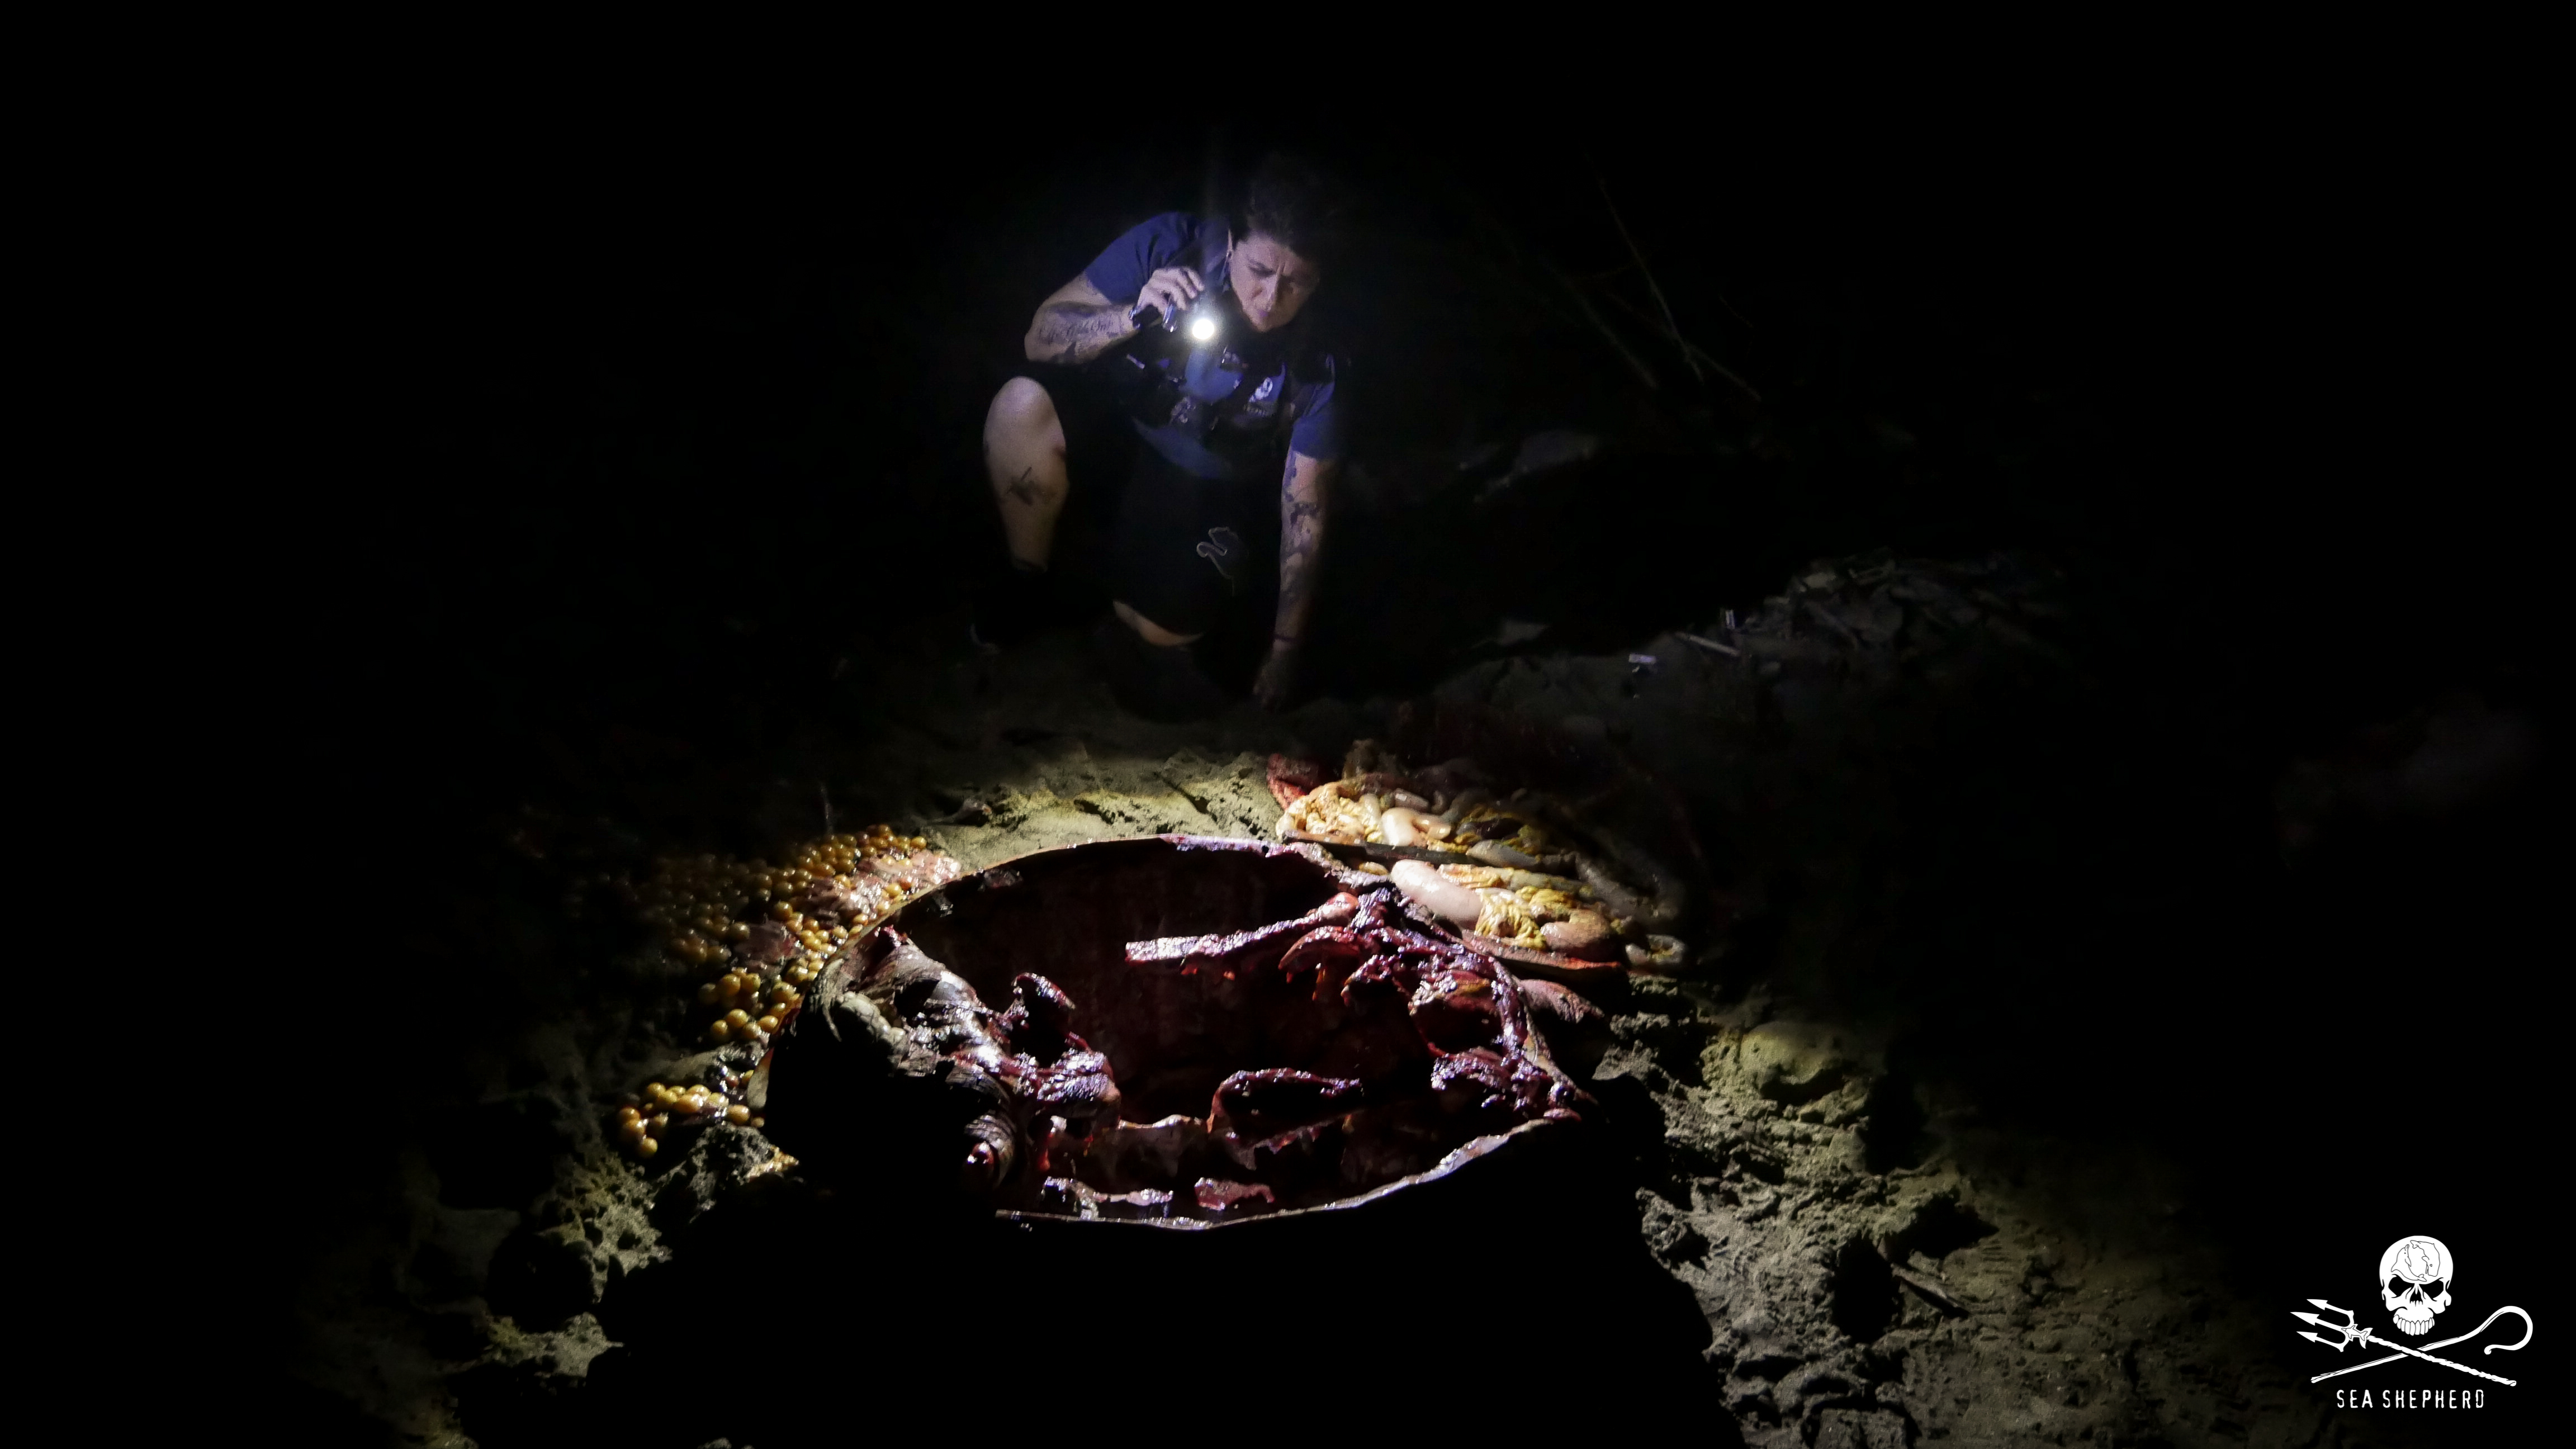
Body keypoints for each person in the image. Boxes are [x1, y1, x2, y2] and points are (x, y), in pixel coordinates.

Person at [977, 154, 1348, 718]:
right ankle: (1028, 582)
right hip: (1123, 439)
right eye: (1259, 270)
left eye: (1295, 282)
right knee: (1020, 405)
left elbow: (1306, 512)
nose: (1271, 298)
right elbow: (1040, 338)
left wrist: (1284, 652)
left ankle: (1116, 614)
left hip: (1206, 486)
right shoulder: (1172, 246)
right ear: (1232, 245)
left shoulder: (1320, 359)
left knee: (1162, 626)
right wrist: (1132, 315)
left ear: (1317, 282)